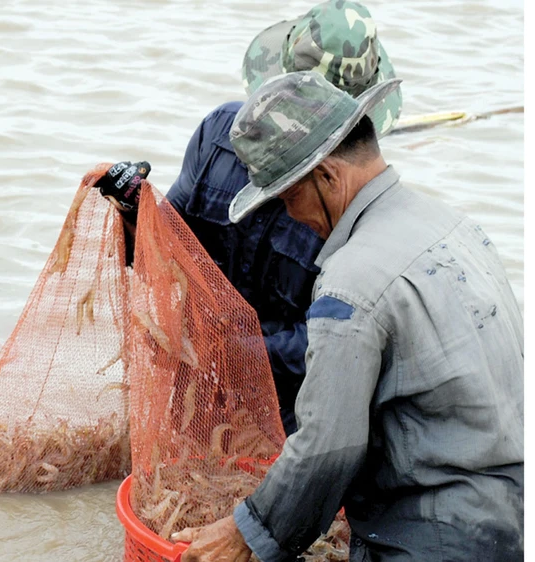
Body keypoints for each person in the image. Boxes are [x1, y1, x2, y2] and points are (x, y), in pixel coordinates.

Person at [170, 71, 523, 561]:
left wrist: (245, 534)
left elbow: (326, 448)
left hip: (430, 538)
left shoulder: (351, 280)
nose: (292, 216)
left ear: (329, 176)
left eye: (288, 198)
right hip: (511, 517)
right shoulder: (458, 228)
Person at [97, 0, 402, 435]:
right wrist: (135, 210)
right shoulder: (218, 135)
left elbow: (339, 340)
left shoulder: (361, 208)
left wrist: (242, 353)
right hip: (191, 384)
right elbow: (172, 248)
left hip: (288, 417)